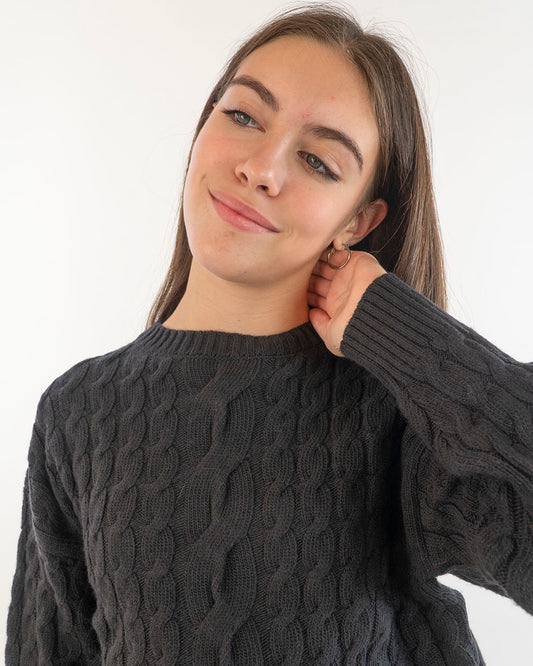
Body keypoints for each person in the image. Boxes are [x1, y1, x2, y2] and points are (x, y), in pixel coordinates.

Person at [5, 4, 532, 665]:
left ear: (357, 221)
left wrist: (406, 336)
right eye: (244, 116)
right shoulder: (78, 412)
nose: (261, 168)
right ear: (203, 126)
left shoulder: (393, 409)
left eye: (316, 160)